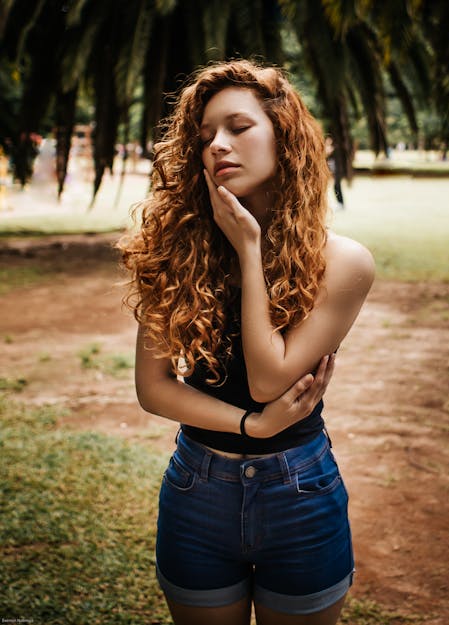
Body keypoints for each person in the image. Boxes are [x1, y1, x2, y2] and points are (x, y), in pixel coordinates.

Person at [118, 60, 374, 625]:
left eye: (238, 127)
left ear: (284, 137)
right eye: (206, 134)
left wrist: (249, 252)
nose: (217, 145)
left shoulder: (344, 262)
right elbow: (153, 388)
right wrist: (249, 426)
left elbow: (267, 379)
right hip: (197, 489)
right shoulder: (173, 249)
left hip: (300, 491)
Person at [325, 135, 345, 210]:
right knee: (332, 188)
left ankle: (341, 203)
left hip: (336, 172)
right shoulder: (325, 149)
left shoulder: (335, 149)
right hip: (329, 172)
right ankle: (338, 203)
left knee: (337, 187)